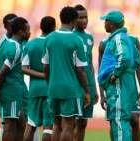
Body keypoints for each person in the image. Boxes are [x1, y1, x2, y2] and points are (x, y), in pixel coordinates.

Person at [41, 6, 91, 141]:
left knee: (56, 126)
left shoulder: (49, 38)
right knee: (68, 126)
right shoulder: (76, 40)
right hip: (70, 89)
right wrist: (87, 91)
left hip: (53, 87)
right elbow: (80, 70)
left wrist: (50, 82)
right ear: (74, 20)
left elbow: (45, 66)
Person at [98, 10, 140, 141]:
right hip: (127, 84)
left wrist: (115, 74)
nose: (104, 23)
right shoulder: (127, 38)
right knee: (121, 121)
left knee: (119, 121)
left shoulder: (117, 38)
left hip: (118, 87)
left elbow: (125, 58)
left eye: (106, 21)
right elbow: (137, 61)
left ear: (111, 24)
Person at [0, 17, 31, 141]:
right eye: (28, 30)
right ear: (21, 31)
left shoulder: (6, 44)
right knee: (10, 125)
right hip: (11, 90)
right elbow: (1, 72)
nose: (30, 32)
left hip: (15, 90)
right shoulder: (15, 48)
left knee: (21, 123)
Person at [22, 16, 56, 141]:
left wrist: (40, 75)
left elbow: (24, 68)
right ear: (54, 27)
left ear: (40, 27)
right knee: (48, 126)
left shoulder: (30, 45)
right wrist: (45, 76)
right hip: (50, 88)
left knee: (31, 125)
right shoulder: (53, 43)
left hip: (35, 89)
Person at [73, 4, 99, 141]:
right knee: (71, 123)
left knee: (83, 122)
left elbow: (90, 63)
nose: (84, 20)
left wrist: (93, 87)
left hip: (88, 83)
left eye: (86, 17)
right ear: (73, 19)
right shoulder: (70, 36)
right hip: (74, 84)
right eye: (80, 17)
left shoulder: (89, 38)